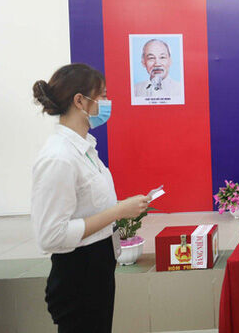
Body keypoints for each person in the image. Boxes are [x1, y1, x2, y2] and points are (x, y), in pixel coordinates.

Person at [32, 63, 151, 332]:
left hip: (97, 267)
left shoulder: (85, 148)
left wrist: (121, 208)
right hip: (78, 274)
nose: (107, 103)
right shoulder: (58, 157)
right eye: (102, 96)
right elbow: (51, 236)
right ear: (79, 101)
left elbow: (89, 206)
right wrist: (119, 211)